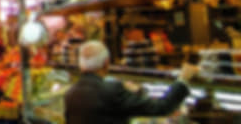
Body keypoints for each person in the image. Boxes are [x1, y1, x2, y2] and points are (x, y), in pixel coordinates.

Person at [65, 41, 198, 124]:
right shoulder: (112, 90)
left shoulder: (70, 94)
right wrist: (183, 79)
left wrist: (135, 92)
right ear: (106, 63)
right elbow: (161, 107)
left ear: (80, 65)